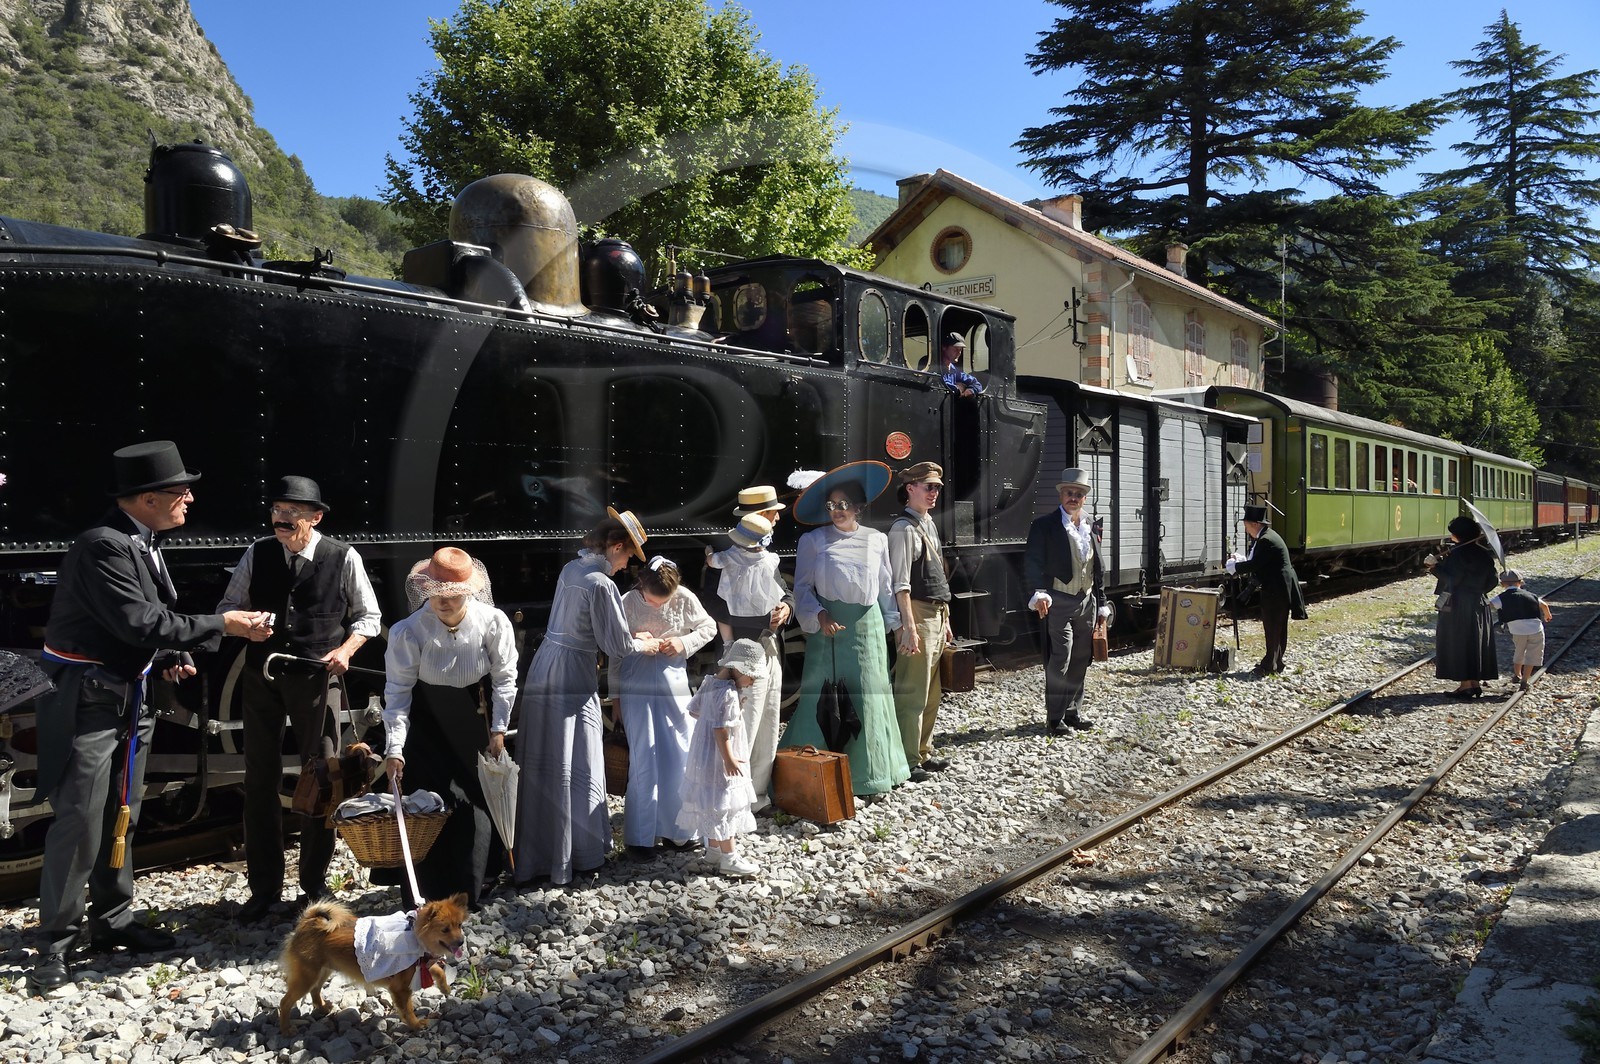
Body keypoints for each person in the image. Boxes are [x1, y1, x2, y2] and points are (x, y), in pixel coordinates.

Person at [30, 441, 273, 992]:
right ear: (145, 498)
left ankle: (113, 920)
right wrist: (223, 625)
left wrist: (166, 657)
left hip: (127, 695)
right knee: (80, 818)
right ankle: (56, 943)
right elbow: (140, 622)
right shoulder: (103, 547)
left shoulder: (142, 542)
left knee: (123, 809)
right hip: (91, 700)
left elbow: (137, 630)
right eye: (178, 490)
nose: (188, 497)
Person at [217, 475, 381, 921]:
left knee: (321, 778)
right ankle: (264, 888)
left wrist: (345, 651)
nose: (282, 523)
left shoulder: (342, 557)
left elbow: (369, 617)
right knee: (259, 780)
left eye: (292, 516)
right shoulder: (258, 552)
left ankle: (313, 885)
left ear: (316, 517)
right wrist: (245, 623)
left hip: (315, 677)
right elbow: (226, 608)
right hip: (261, 676)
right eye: (277, 514)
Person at [514, 508, 661, 886]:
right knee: (573, 757)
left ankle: (539, 855)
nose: (628, 563)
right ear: (615, 546)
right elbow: (617, 644)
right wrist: (642, 642)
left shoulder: (571, 569)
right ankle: (576, 855)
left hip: (547, 662)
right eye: (628, 555)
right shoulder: (600, 583)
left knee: (547, 758)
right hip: (571, 672)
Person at [381, 547, 517, 907]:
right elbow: (397, 692)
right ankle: (425, 893)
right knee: (427, 803)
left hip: (474, 713)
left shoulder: (492, 622)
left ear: (468, 591)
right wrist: (394, 748)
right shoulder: (407, 632)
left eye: (453, 594)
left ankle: (471, 890)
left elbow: (505, 678)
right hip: (424, 719)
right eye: (436, 593)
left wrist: (499, 728)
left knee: (476, 803)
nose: (443, 601)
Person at [780, 461, 911, 795]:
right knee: (821, 697)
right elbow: (803, 589)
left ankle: (872, 775)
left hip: (867, 631)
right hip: (828, 632)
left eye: (843, 505)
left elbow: (884, 588)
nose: (836, 511)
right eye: (830, 505)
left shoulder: (876, 539)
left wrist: (897, 626)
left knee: (870, 696)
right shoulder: (812, 540)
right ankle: (813, 775)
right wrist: (819, 616)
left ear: (858, 507)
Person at [614, 556, 716, 858]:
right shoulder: (627, 602)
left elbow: (708, 627)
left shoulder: (684, 598)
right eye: (652, 600)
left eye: (664, 601)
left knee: (679, 751)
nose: (657, 606)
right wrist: (616, 697)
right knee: (644, 756)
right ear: (641, 584)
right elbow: (615, 654)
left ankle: (679, 833)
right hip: (637, 686)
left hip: (673, 686)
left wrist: (684, 643)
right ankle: (641, 837)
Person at [711, 485, 793, 812]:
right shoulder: (725, 558)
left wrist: (787, 608)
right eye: (772, 512)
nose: (776, 518)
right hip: (745, 652)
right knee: (744, 722)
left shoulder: (768, 557)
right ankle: (733, 800)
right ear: (758, 516)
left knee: (770, 719)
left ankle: (757, 797)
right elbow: (717, 607)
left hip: (771, 646)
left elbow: (783, 590)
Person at [1024, 467, 1110, 733]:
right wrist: (1039, 592)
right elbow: (1032, 563)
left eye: (1078, 494)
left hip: (1087, 600)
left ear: (1084, 498)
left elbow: (1098, 569)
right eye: (1069, 493)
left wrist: (1103, 602)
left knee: (1082, 658)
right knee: (1061, 656)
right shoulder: (1044, 525)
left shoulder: (1091, 526)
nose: (1073, 497)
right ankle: (1054, 718)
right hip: (1058, 600)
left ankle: (1073, 712)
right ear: (1061, 495)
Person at [887, 461, 953, 782]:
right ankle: (907, 759)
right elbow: (900, 583)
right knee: (913, 690)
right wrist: (908, 626)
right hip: (918, 614)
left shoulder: (927, 524)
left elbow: (937, 572)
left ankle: (922, 751)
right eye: (928, 487)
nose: (934, 492)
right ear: (910, 488)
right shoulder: (902, 529)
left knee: (932, 691)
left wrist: (947, 618)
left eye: (937, 488)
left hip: (937, 614)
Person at [676, 639, 763, 877]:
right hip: (720, 755)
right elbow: (721, 730)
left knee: (710, 799)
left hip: (704, 755)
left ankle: (713, 849)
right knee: (725, 802)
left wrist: (713, 719)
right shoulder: (728, 694)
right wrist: (729, 759)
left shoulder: (710, 683)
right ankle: (729, 857)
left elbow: (695, 712)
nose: (753, 682)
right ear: (740, 669)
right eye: (752, 676)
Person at [1225, 503, 1308, 677]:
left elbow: (1255, 564)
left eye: (1247, 526)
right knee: (1278, 626)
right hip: (1279, 586)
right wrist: (1240, 561)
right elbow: (1259, 561)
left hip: (1276, 589)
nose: (1247, 530)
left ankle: (1270, 665)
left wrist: (1234, 567)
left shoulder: (1266, 540)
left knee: (1272, 626)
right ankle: (1276, 661)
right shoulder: (1267, 537)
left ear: (1255, 524)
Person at [1426, 515, 1500, 698]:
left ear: (1458, 535)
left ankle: (1466, 685)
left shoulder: (1457, 554)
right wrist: (1478, 590)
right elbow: (1493, 580)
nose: (1451, 536)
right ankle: (1474, 683)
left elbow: (1452, 579)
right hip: (1479, 603)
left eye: (1452, 533)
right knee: (1476, 642)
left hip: (1459, 605)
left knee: (1460, 642)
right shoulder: (1484, 554)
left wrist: (1433, 567)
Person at [705, 514, 785, 652]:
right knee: (774, 607)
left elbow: (713, 562)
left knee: (722, 618)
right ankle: (768, 635)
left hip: (734, 601)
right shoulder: (770, 558)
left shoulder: (730, 555)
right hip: (760, 604)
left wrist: (709, 554)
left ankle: (728, 643)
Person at [1489, 569, 1551, 692]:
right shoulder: (1530, 595)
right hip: (1535, 629)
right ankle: (1525, 680)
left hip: (1517, 631)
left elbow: (1489, 605)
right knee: (1532, 654)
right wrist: (1547, 615)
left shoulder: (1501, 598)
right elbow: (1544, 605)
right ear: (1521, 582)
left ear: (1502, 584)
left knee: (1519, 650)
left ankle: (1517, 674)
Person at [939, 332, 983, 397]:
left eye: (960, 350)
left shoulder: (954, 370)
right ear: (944, 347)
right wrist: (959, 388)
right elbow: (942, 386)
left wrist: (970, 391)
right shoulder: (936, 368)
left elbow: (976, 384)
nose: (959, 353)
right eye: (956, 349)